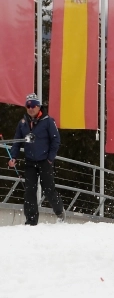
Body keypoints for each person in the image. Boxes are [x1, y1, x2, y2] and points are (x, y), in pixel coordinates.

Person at [8, 93, 65, 225]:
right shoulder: (23, 123)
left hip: (45, 161)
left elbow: (56, 140)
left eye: (33, 105)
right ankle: (31, 220)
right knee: (29, 190)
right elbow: (17, 142)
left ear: (39, 106)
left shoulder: (48, 121)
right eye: (28, 105)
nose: (31, 108)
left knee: (48, 189)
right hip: (30, 162)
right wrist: (13, 157)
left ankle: (59, 212)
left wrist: (50, 159)